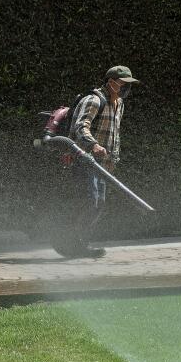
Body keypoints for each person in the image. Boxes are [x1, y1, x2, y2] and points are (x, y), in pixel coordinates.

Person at [52, 65, 140, 258]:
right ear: (111, 82)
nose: (127, 88)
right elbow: (80, 127)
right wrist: (93, 145)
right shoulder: (93, 100)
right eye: (123, 84)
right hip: (84, 159)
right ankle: (67, 241)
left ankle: (76, 244)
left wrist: (112, 157)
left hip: (102, 164)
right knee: (90, 201)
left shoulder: (119, 103)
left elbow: (114, 134)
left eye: (129, 85)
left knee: (98, 203)